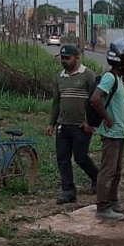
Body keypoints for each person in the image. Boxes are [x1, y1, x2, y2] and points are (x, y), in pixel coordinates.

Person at [46, 46, 99, 204]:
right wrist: (51, 123)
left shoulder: (88, 75)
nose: (64, 61)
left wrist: (90, 122)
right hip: (63, 125)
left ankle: (97, 178)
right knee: (63, 159)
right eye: (62, 58)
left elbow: (96, 100)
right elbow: (56, 102)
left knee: (81, 157)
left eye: (67, 58)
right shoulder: (59, 77)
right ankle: (68, 190)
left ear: (77, 58)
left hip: (81, 126)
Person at [90, 39, 124, 221]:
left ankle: (113, 201)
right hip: (111, 134)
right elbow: (95, 99)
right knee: (108, 170)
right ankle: (103, 206)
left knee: (117, 169)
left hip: (119, 133)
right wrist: (107, 118)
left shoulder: (118, 78)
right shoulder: (110, 78)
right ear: (119, 61)